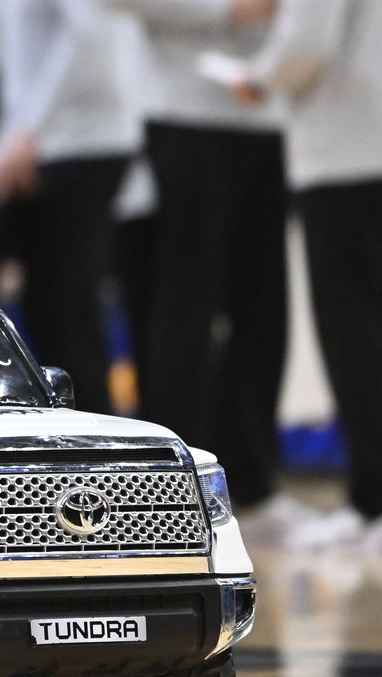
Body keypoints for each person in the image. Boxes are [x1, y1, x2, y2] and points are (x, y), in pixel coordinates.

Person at [230, 0, 382, 549]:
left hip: (349, 149)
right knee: (379, 322)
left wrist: (256, 77)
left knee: (352, 328)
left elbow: (307, 42)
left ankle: (376, 501)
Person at [0, 0, 144, 414]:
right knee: (40, 306)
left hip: (77, 144)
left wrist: (24, 135)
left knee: (66, 308)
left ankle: (95, 445)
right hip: (35, 144)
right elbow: (3, 63)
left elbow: (88, 37)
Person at [106, 0, 287, 513]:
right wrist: (228, 9)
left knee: (264, 310)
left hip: (269, 113)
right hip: (179, 115)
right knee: (186, 305)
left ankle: (253, 484)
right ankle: (173, 482)